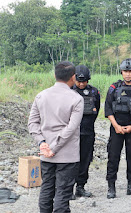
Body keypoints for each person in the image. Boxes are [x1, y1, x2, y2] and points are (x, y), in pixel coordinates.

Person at [28, 61, 84, 212]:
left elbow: (32, 123)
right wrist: (54, 147)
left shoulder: (41, 96)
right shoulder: (76, 99)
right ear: (73, 77)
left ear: (55, 75)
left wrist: (42, 143)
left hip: (46, 154)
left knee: (46, 189)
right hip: (67, 156)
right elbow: (71, 128)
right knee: (63, 193)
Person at [105, 58, 131, 199]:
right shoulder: (114, 88)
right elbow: (108, 109)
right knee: (113, 157)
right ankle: (111, 187)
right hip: (116, 128)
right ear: (121, 72)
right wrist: (116, 126)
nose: (128, 74)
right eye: (125, 71)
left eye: (130, 71)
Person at [72, 65, 100, 197]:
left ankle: (80, 187)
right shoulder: (69, 91)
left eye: (84, 81)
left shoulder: (94, 92)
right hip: (71, 134)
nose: (81, 84)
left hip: (88, 133)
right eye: (79, 81)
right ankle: (68, 189)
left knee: (85, 160)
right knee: (70, 162)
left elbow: (97, 110)